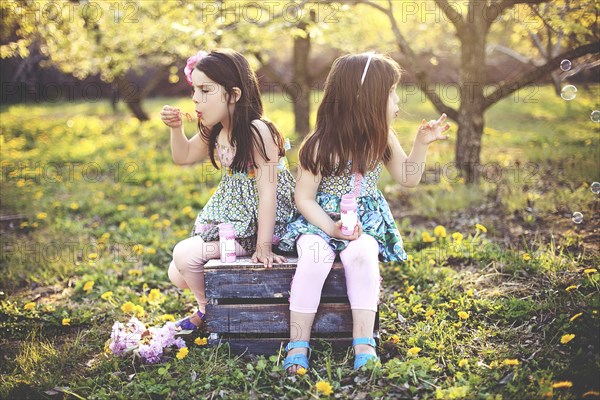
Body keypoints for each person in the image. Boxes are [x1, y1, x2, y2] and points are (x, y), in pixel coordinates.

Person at [277, 52, 450, 372]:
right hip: (319, 223)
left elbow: (408, 177)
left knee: (364, 254)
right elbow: (304, 199)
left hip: (362, 224)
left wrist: (422, 144)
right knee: (315, 258)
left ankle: (363, 343)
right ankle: (298, 344)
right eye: (391, 92)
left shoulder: (382, 140)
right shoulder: (318, 146)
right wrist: (330, 228)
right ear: (365, 99)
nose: (398, 101)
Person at [160, 49, 295, 330]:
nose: (196, 98)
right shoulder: (216, 129)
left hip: (259, 226)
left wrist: (263, 247)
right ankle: (215, 305)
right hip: (234, 221)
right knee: (178, 273)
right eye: (194, 89)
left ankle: (208, 312)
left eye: (206, 90)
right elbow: (183, 156)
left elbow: (268, 194)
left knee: (185, 256)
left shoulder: (259, 131)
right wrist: (175, 129)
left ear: (234, 95)